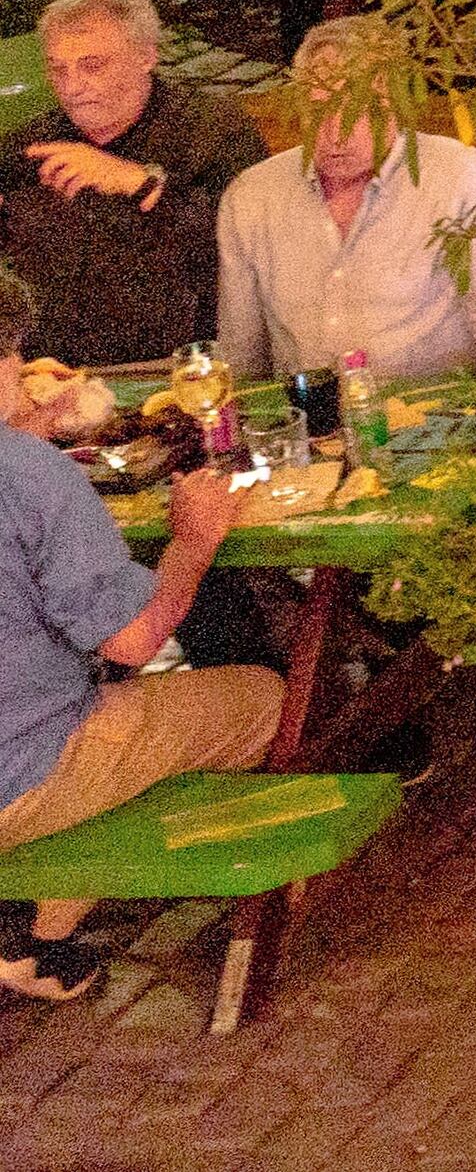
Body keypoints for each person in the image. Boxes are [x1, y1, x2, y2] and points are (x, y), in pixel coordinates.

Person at [0, 266, 283, 1003]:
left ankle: (39, 940)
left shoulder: (22, 463)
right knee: (263, 698)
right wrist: (192, 540)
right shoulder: (29, 476)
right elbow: (132, 638)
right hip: (18, 782)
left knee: (99, 694)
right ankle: (41, 917)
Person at [214, 15, 476, 384]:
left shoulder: (467, 180)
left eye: (359, 111)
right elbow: (242, 358)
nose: (336, 134)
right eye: (318, 110)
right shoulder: (252, 197)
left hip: (440, 427)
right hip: (312, 427)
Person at [1, 0, 242, 365]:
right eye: (58, 69)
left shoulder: (211, 131)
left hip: (177, 368)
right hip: (54, 375)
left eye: (92, 66)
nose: (73, 87)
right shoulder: (31, 148)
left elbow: (247, 249)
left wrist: (139, 182)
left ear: (147, 56)